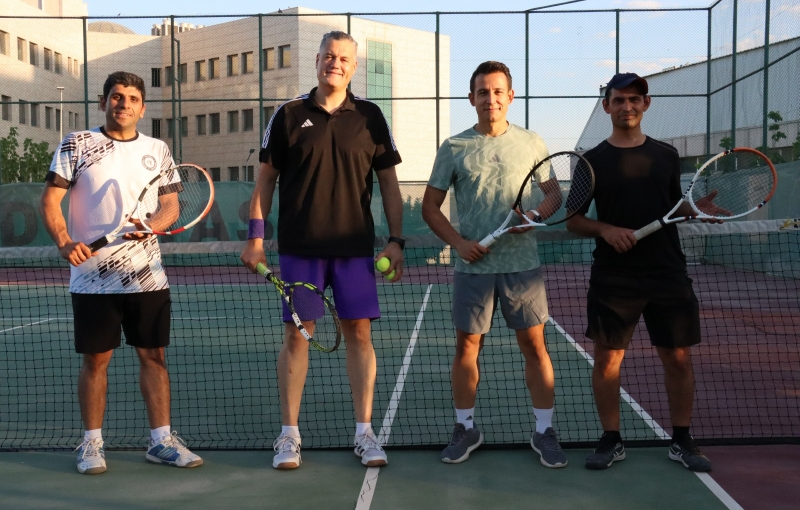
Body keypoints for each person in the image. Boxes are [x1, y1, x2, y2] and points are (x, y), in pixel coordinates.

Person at [240, 31, 404, 470]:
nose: (336, 63)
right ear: (317, 61)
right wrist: (255, 238)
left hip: (354, 252)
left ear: (354, 67)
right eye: (329, 56)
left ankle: (364, 433)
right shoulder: (288, 114)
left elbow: (389, 183)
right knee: (298, 335)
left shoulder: (371, 117)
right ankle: (289, 435)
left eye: (344, 58)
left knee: (360, 335)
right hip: (301, 251)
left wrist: (396, 240)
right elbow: (265, 180)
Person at [39, 71, 203, 474]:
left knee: (154, 357)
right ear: (103, 102)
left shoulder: (157, 149)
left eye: (132, 98)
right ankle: (92, 444)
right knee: (96, 361)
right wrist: (64, 241)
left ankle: (161, 442)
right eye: (116, 96)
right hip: (92, 278)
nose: (123, 104)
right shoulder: (77, 144)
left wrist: (151, 225)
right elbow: (50, 200)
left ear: (142, 108)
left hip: (147, 276)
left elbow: (170, 207)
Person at [421, 61, 568, 468]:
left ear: (510, 96)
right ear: (472, 98)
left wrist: (534, 217)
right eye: (483, 92)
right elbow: (430, 207)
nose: (491, 99)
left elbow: (553, 195)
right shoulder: (454, 147)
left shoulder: (532, 142)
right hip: (474, 269)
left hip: (522, 266)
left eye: (498, 91)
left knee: (534, 346)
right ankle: (465, 427)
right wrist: (459, 244)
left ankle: (544, 431)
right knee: (467, 348)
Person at [565, 72, 713, 472]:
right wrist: (606, 230)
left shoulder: (666, 155)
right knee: (607, 361)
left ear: (646, 104)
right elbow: (573, 220)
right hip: (615, 277)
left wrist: (696, 210)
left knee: (677, 359)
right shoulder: (590, 162)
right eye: (619, 100)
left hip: (667, 272)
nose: (627, 106)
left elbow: (672, 208)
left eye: (634, 99)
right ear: (607, 106)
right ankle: (611, 439)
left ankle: (682, 440)